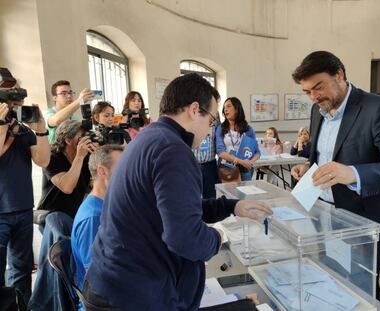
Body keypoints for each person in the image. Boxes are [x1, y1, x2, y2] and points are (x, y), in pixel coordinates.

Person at [83, 73, 272, 311]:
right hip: (130, 293)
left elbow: (177, 207)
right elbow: (185, 238)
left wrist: (231, 206)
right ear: (195, 109)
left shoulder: (151, 137)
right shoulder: (173, 149)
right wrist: (218, 238)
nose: (208, 131)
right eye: (211, 121)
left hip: (114, 283)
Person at [290, 51, 380, 300]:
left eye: (318, 87)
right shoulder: (318, 110)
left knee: (360, 290)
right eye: (307, 92)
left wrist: (353, 173)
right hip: (324, 214)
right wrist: (309, 166)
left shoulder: (377, 108)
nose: (314, 97)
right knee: (333, 281)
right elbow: (325, 154)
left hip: (361, 220)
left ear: (340, 75)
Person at [0, 68, 50, 304]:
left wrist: (41, 128)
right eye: (10, 92)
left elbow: (43, 160)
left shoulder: (23, 129)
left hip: (21, 208)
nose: (16, 96)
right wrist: (2, 123)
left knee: (21, 271)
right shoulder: (4, 126)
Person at [71, 145, 123, 295]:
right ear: (102, 172)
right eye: (122, 168)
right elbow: (96, 280)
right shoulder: (93, 218)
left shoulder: (105, 206)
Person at [37, 120, 97, 219]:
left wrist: (98, 155)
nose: (87, 139)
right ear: (68, 140)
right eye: (82, 136)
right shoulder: (52, 157)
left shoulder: (87, 156)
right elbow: (67, 187)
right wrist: (79, 157)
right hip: (52, 216)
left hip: (75, 213)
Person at [216, 97, 260, 181]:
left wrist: (250, 163)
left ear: (237, 109)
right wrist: (240, 161)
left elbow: (257, 152)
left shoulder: (248, 129)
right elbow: (220, 152)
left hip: (245, 169)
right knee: (229, 194)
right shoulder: (221, 128)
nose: (225, 109)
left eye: (229, 106)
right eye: (224, 108)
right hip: (226, 168)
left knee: (245, 193)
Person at [192, 112, 220, 199]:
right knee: (192, 196)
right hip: (193, 165)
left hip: (210, 165)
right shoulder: (192, 111)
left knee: (210, 196)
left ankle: (209, 213)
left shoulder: (214, 113)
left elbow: (219, 137)